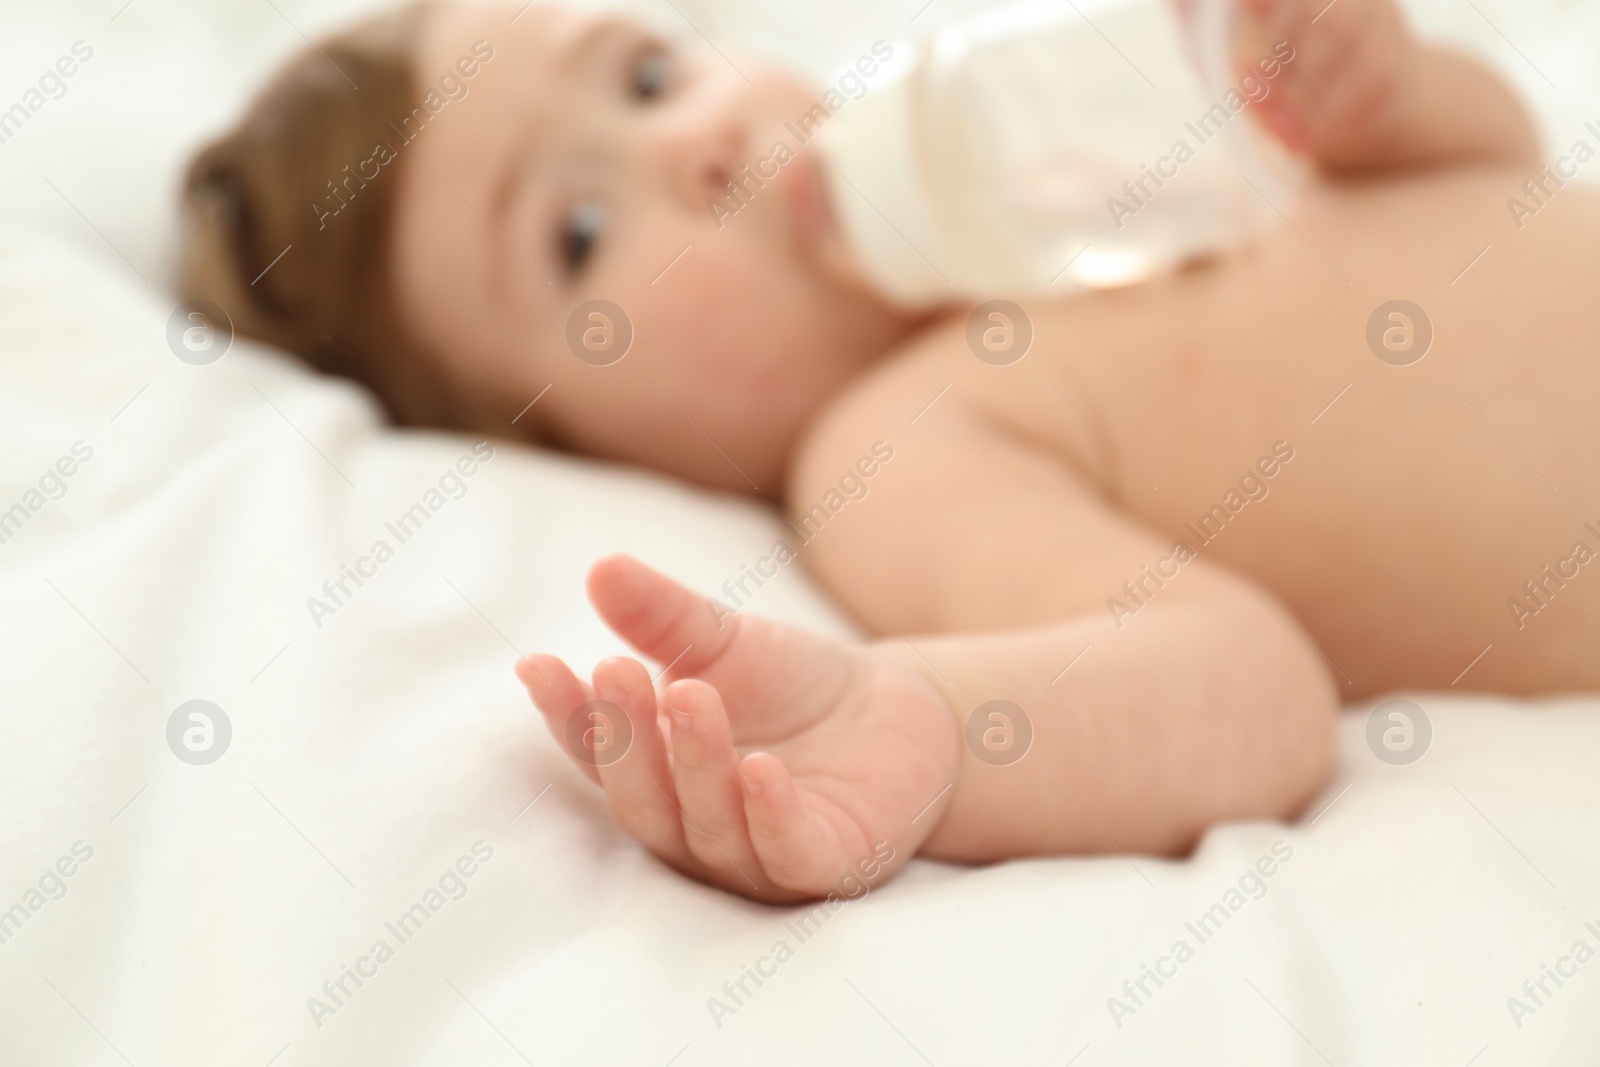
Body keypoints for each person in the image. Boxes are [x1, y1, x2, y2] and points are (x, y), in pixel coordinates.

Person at [181, 0, 1599, 903]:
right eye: (579, 234)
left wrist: (1376, 90)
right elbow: (1246, 687)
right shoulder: (903, 445)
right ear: (585, 447)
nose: (701, 142)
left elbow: (1495, 163)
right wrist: (928, 726)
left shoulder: (1066, 175)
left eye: (652, 70)